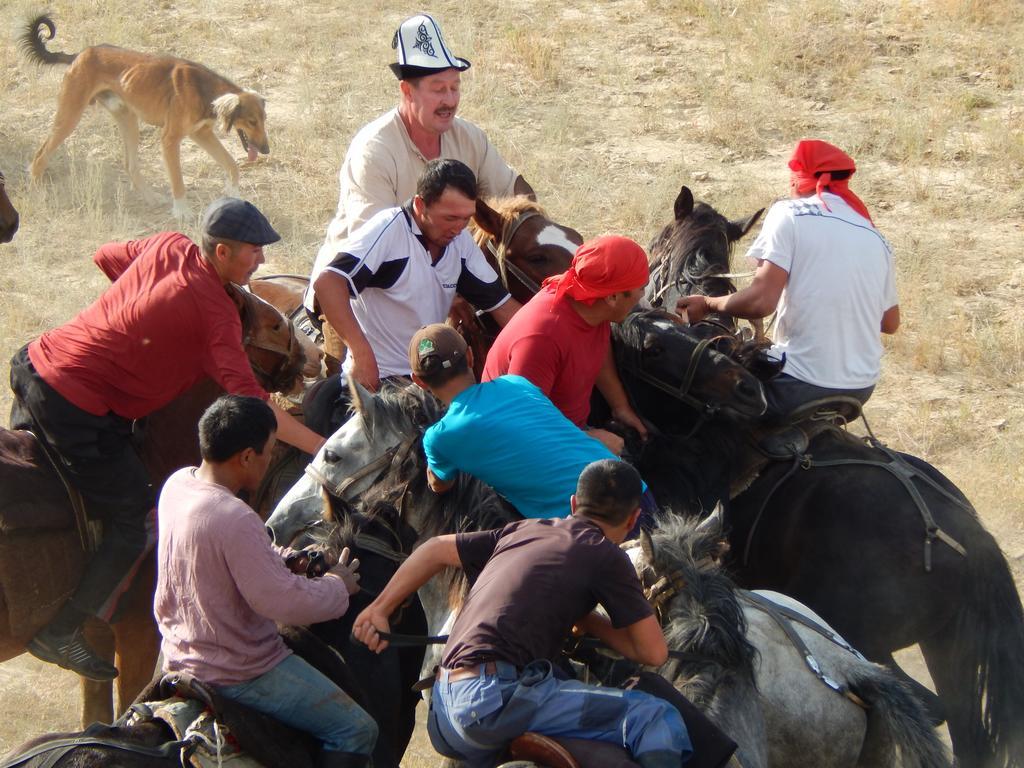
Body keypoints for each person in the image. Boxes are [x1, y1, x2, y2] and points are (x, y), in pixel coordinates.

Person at [10, 197, 326, 681]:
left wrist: (142, 315)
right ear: (221, 252)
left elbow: (106, 256)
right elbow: (256, 405)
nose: (261, 260)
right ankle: (64, 629)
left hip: (33, 366)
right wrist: (320, 448)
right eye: (254, 251)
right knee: (135, 512)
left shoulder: (169, 244)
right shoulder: (215, 314)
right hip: (73, 407)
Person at [353, 460, 691, 768]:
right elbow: (653, 652)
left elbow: (434, 548)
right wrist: (590, 621)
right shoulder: (606, 556)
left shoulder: (523, 530)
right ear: (633, 520)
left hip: (443, 712)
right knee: (653, 716)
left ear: (573, 503)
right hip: (493, 703)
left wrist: (380, 609)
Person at [155, 395, 376, 768]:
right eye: (269, 451)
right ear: (245, 457)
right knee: (357, 730)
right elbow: (279, 602)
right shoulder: (234, 515)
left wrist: (287, 559)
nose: (271, 459)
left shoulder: (177, 485)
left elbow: (220, 557)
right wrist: (338, 586)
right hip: (238, 670)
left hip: (177, 654)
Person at [305, 12, 535, 349]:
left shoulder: (469, 138)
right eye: (438, 90)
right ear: (407, 91)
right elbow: (377, 250)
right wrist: (452, 291)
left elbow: (514, 191)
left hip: (441, 287)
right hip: (362, 295)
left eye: (455, 88)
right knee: (358, 388)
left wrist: (532, 220)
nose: (450, 100)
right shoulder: (374, 150)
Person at [676, 139, 900, 417]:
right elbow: (890, 323)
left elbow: (760, 302)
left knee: (689, 399)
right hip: (861, 388)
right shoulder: (875, 235)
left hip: (798, 383)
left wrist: (708, 304)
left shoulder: (788, 213)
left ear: (796, 181)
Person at [307, 159, 520, 435]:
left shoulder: (459, 243)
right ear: (420, 205)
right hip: (379, 383)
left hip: (429, 380)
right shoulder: (390, 230)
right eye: (450, 218)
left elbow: (503, 307)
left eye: (466, 218)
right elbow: (328, 283)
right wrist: (361, 354)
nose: (458, 228)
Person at [409, 323, 638, 519]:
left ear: (418, 381)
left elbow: (439, 484)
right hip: (634, 491)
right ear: (470, 356)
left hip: (584, 524)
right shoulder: (516, 383)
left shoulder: (440, 437)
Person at [483, 235, 650, 455]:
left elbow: (597, 350)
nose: (643, 296)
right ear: (613, 297)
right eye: (640, 288)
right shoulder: (541, 339)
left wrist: (620, 407)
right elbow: (519, 425)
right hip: (524, 448)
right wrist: (589, 439)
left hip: (564, 428)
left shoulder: (591, 304)